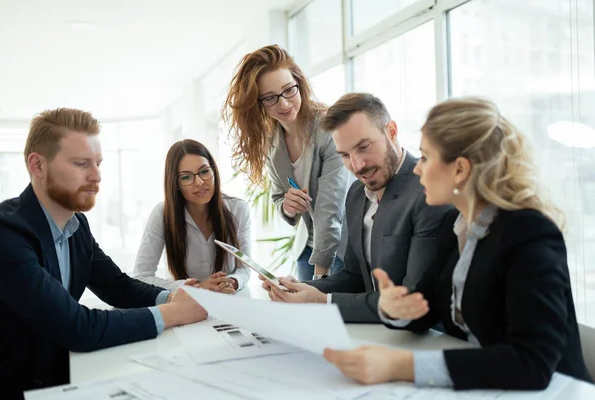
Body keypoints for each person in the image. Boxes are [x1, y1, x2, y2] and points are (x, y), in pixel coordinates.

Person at [323, 97, 593, 389]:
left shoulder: (529, 233)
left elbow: (533, 362)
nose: (416, 169)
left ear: (460, 169)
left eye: (426, 157)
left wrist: (402, 366)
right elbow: (422, 312)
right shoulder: (457, 231)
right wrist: (393, 308)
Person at [0, 109, 207, 398]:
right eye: (81, 163)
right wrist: (174, 312)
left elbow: (116, 285)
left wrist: (171, 297)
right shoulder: (5, 233)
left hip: (61, 376)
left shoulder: (76, 224)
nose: (96, 176)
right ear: (38, 165)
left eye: (98, 163)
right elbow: (77, 327)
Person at [263, 93, 450, 323]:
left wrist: (322, 301)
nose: (357, 166)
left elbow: (413, 303)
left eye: (364, 147)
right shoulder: (356, 195)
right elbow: (354, 277)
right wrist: (301, 288)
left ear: (391, 131)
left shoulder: (428, 192)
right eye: (345, 155)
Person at [222, 44, 351, 282]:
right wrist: (288, 207)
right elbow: (279, 196)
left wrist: (319, 279)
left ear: (299, 83)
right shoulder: (273, 141)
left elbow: (330, 209)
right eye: (269, 98)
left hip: (343, 248)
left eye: (288, 90)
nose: (283, 104)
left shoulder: (329, 128)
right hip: (307, 249)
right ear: (258, 103)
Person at [133, 139, 251, 292]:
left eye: (204, 171)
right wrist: (196, 287)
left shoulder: (238, 209)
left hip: (229, 300)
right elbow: (141, 276)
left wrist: (232, 282)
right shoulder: (162, 214)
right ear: (175, 184)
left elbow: (245, 269)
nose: (200, 182)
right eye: (186, 177)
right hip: (184, 305)